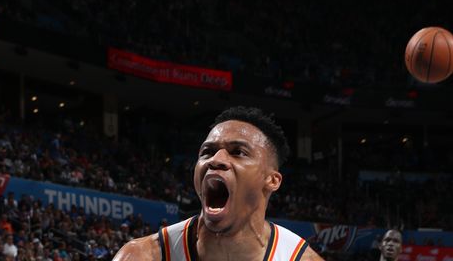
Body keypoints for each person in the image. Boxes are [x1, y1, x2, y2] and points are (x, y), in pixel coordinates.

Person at [114, 106, 323, 261]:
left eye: (238, 152)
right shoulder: (141, 256)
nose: (216, 160)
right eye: (207, 152)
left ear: (272, 180)